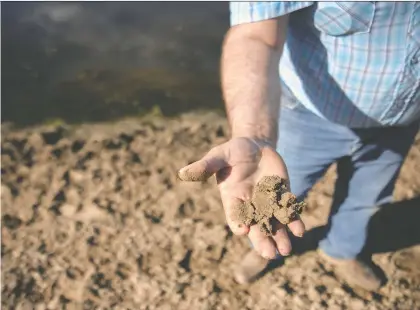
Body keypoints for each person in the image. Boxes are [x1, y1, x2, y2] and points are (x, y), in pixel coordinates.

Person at [177, 2, 420, 291]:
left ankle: (343, 250)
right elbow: (256, 35)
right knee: (283, 185)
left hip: (399, 123)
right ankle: (263, 245)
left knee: (368, 196)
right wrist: (254, 135)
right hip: (309, 114)